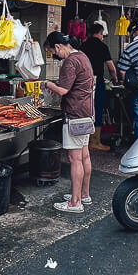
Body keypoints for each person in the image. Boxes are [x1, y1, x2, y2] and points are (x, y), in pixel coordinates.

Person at [44, 32, 95, 214]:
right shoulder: (83, 56)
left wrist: (48, 84)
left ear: (58, 47)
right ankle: (84, 195)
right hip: (86, 112)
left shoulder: (70, 61)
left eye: (52, 52)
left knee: (75, 159)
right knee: (84, 156)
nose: (55, 56)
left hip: (75, 114)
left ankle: (75, 203)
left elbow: (64, 90)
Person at [79, 22, 118, 152]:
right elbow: (111, 67)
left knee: (85, 110)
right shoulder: (102, 46)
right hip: (98, 81)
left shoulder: (83, 45)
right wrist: (116, 79)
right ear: (100, 33)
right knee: (98, 109)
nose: (103, 37)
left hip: (83, 82)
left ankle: (84, 140)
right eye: (103, 35)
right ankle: (95, 141)